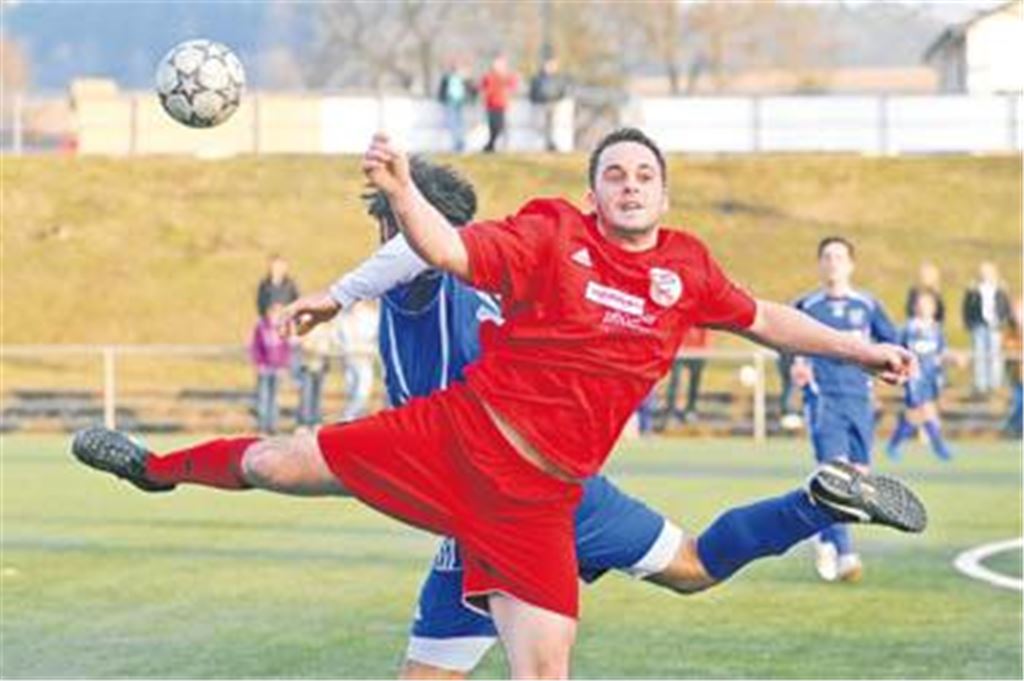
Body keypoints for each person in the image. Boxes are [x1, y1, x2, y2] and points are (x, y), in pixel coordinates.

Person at [71, 128, 926, 679]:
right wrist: (400, 200)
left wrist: (861, 347)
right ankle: (153, 467)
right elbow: (436, 249)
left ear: (664, 195)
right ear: (593, 194)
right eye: (614, 173)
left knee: (669, 588)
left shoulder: (687, 270)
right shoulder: (550, 232)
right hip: (457, 441)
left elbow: (769, 318)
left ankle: (817, 502)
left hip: (550, 497)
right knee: (272, 459)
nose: (630, 183)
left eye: (645, 174)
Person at [791, 236, 900, 584]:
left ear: (851, 264)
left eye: (839, 257)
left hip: (860, 403)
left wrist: (892, 365)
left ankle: (821, 534)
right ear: (820, 264)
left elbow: (893, 342)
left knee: (857, 480)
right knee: (837, 477)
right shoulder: (807, 306)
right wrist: (796, 366)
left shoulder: (867, 305)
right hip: (825, 403)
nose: (833, 262)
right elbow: (785, 342)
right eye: (827, 256)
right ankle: (846, 554)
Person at [886, 291, 952, 461]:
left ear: (934, 308)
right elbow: (897, 348)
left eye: (928, 304)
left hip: (931, 376)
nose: (924, 307)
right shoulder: (908, 328)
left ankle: (895, 444)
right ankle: (939, 447)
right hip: (914, 377)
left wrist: (951, 359)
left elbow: (941, 352)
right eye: (921, 303)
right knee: (922, 410)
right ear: (915, 307)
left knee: (918, 412)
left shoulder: (936, 329)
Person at [962, 262, 1012, 397]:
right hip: (979, 325)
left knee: (995, 354)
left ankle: (995, 383)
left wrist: (1004, 321)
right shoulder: (973, 290)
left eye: (988, 272)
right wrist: (968, 322)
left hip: (995, 325)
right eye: (983, 272)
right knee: (979, 354)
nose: (985, 275)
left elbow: (1006, 306)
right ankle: (981, 384)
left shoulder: (1000, 289)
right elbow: (967, 307)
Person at [249, 302, 291, 434]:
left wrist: (284, 365)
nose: (275, 315)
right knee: (263, 397)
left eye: (279, 312)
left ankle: (273, 426)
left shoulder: (282, 327)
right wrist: (258, 363)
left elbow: (286, 348)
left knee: (275, 398)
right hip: (264, 367)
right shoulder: (261, 327)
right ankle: (262, 425)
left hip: (278, 368)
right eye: (274, 311)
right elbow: (255, 347)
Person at [657, 326, 709, 430]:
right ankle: (670, 411)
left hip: (696, 351)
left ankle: (690, 409)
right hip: (679, 350)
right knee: (675, 380)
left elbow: (705, 332)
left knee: (695, 377)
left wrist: (703, 350)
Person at [337, 301, 379, 421]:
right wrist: (344, 351)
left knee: (363, 390)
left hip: (365, 358)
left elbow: (378, 336)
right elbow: (339, 338)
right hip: (350, 358)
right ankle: (353, 418)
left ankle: (348, 416)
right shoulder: (344, 318)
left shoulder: (371, 317)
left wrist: (372, 349)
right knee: (351, 388)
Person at [296, 321, 337, 431]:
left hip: (321, 366)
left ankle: (316, 421)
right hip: (308, 366)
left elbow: (332, 345)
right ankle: (303, 423)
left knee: (318, 396)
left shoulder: (328, 327)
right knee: (306, 395)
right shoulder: (307, 325)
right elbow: (303, 343)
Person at [528, 56, 570, 152]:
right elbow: (532, 92)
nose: (550, 67)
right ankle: (546, 143)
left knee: (551, 125)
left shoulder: (558, 78)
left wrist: (559, 98)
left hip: (553, 103)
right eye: (549, 65)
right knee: (541, 125)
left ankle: (550, 143)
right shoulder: (538, 78)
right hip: (541, 104)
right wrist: (535, 101)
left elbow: (562, 90)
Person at [479, 54, 518, 153]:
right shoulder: (489, 76)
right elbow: (483, 88)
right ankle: (491, 145)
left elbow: (513, 85)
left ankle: (493, 144)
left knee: (499, 126)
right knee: (492, 126)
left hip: (501, 104)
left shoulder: (505, 76)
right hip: (491, 104)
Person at [437, 58, 474, 153]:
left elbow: (471, 89)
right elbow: (442, 90)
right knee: (453, 124)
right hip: (450, 102)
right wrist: (442, 100)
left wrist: (471, 99)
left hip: (461, 102)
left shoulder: (463, 77)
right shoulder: (447, 77)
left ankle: (461, 143)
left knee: (461, 124)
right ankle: (457, 144)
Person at [1003, 297, 1023, 437]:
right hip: (1017, 375)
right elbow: (1007, 347)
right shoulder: (1011, 331)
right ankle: (1012, 427)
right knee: (1018, 402)